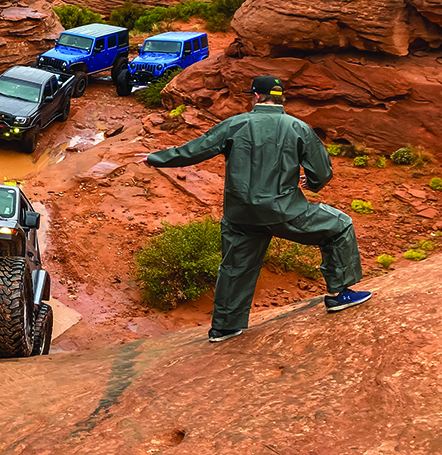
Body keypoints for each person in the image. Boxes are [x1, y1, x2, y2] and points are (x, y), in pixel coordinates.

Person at [141, 75, 370, 343]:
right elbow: (321, 170)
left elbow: (196, 150)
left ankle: (224, 328)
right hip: (285, 211)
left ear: (257, 96)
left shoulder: (235, 124)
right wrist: (313, 183)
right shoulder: (298, 127)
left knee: (236, 266)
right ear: (280, 97)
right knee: (339, 225)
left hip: (241, 215)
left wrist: (156, 158)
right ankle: (340, 294)